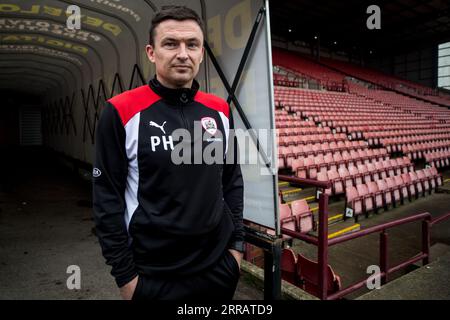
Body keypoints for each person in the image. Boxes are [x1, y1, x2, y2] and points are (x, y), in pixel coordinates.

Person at [92, 5, 244, 301]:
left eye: (192, 44)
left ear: (201, 53)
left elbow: (232, 180)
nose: (183, 53)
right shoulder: (120, 111)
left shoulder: (220, 110)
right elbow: (105, 199)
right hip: (152, 277)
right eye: (171, 44)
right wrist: (126, 278)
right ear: (151, 52)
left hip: (218, 269)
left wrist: (236, 249)